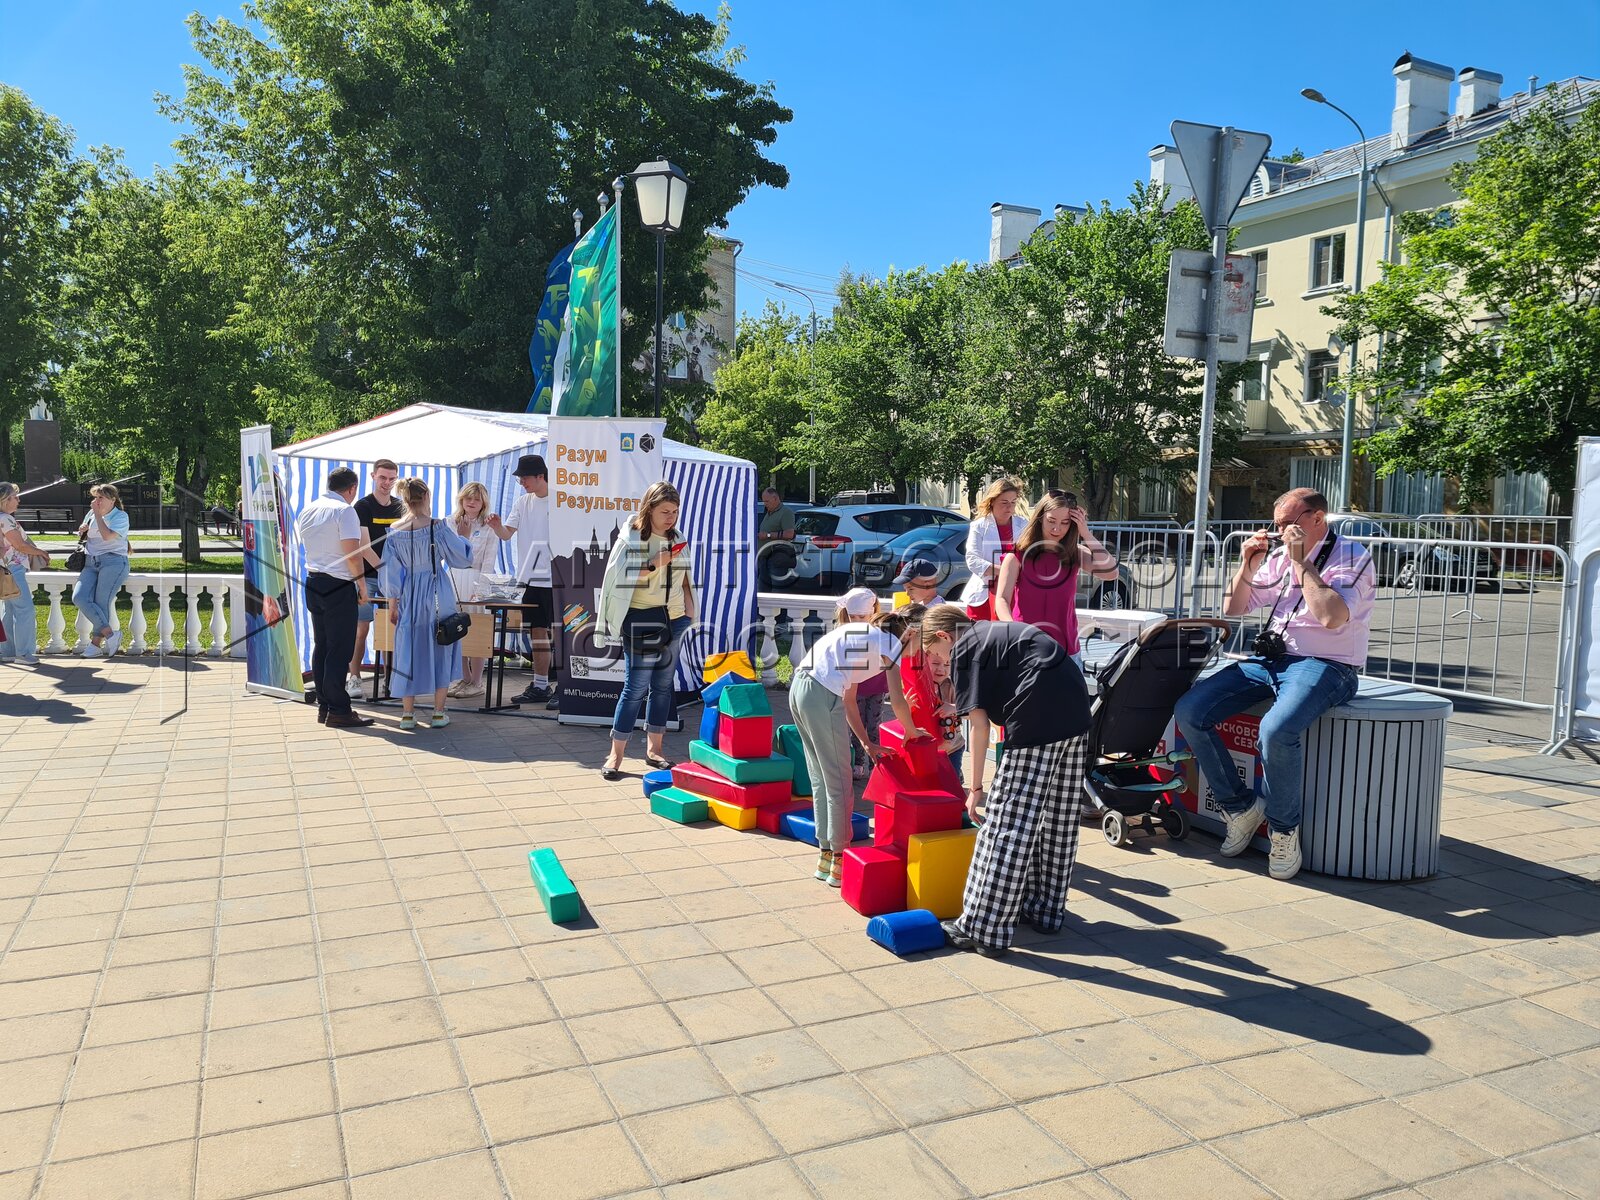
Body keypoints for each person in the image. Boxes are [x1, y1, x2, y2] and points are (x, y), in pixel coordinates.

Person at [1175, 488, 1374, 882]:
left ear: (1317, 518)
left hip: (1326, 664)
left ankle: (1283, 830)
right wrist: (1247, 565)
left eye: (1287, 524)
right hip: (1271, 660)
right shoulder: (1282, 554)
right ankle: (1240, 808)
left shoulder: (1353, 556)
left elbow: (1332, 617)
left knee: (1276, 729)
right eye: (1277, 523)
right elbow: (1234, 608)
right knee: (1190, 710)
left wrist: (1302, 564)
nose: (1279, 531)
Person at [919, 605, 1093, 957]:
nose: (940, 663)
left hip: (1037, 719)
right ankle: (1045, 909)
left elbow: (980, 729)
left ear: (943, 636)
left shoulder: (965, 647)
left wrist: (977, 788)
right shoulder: (992, 631)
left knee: (1006, 824)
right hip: (1077, 711)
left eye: (936, 654)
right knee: (1058, 819)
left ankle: (983, 927)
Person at [790, 606, 926, 887]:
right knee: (840, 782)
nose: (921, 652)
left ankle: (827, 856)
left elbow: (850, 700)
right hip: (821, 693)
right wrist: (913, 733)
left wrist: (867, 744)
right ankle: (840, 859)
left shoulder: (866, 638)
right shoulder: (888, 642)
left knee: (822, 779)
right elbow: (898, 701)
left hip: (801, 690)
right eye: (923, 644)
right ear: (911, 632)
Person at [595, 481, 697, 780]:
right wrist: (654, 564)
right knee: (635, 688)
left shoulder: (678, 537)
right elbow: (618, 579)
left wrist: (689, 612)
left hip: (675, 618)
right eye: (665, 511)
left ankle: (655, 750)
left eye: (675, 511)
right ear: (649, 508)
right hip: (641, 619)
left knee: (663, 687)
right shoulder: (631, 538)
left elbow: (685, 577)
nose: (671, 517)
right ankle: (616, 755)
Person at [380, 478, 473, 730]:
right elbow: (461, 559)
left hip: (408, 594)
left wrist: (392, 603)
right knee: (441, 644)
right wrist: (465, 537)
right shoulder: (438, 527)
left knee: (407, 650)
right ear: (427, 496)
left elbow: (390, 572)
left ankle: (408, 715)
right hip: (437, 592)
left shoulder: (395, 530)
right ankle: (439, 713)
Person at [993, 491, 1119, 668]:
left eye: (1065, 523)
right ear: (1040, 518)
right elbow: (1002, 599)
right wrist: (1015, 631)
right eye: (1051, 521)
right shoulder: (1017, 555)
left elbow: (1111, 572)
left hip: (1066, 651)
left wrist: (1086, 534)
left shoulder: (1075, 553)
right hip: (1025, 649)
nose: (1057, 529)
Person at [296, 468, 374, 729]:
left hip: (314, 579)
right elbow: (353, 554)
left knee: (323, 646)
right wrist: (361, 586)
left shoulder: (309, 509)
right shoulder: (345, 511)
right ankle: (339, 708)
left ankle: (325, 705)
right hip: (339, 583)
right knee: (339, 649)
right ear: (352, 489)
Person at [489, 454, 556, 707]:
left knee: (560, 633)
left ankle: (567, 686)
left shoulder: (561, 500)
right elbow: (507, 535)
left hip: (557, 578)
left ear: (541, 476)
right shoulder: (522, 502)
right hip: (530, 578)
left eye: (524, 477)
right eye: (519, 478)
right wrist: (496, 527)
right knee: (537, 633)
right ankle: (541, 685)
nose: (521, 482)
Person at [348, 459, 400, 699]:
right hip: (368, 578)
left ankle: (389, 680)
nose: (387, 483)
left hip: (393, 581)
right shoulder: (363, 506)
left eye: (391, 479)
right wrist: (386, 570)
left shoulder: (401, 506)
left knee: (392, 629)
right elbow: (364, 547)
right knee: (361, 629)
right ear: (373, 476)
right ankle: (355, 677)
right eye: (383, 478)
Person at [446, 481, 501, 698]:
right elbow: (449, 554)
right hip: (453, 578)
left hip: (477, 579)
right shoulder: (450, 522)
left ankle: (477, 681)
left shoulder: (489, 526)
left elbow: (489, 561)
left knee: (477, 629)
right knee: (455, 630)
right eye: (468, 498)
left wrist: (481, 589)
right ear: (461, 499)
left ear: (483, 502)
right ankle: (464, 677)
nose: (471, 502)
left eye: (476, 499)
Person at [71, 484, 132, 658]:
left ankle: (95, 645)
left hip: (113, 562)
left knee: (101, 601)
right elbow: (85, 534)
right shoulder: (91, 514)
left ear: (112, 500)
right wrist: (83, 530)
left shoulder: (120, 516)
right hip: (91, 562)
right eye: (95, 497)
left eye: (101, 498)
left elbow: (107, 536)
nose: (96, 501)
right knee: (79, 597)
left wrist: (97, 515)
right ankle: (111, 635)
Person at [835, 587, 886, 780]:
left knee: (874, 724)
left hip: (875, 685)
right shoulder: (842, 634)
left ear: (872, 613)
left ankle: (876, 764)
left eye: (861, 617)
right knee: (856, 724)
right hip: (855, 688)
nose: (856, 621)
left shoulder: (878, 632)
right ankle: (858, 762)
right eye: (853, 617)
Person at [960, 477, 1024, 620]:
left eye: (1013, 502)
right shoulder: (979, 526)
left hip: (1014, 593)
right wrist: (1007, 571)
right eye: (1004, 503)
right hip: (984, 593)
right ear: (992, 501)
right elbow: (972, 560)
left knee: (1008, 635)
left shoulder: (1024, 525)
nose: (1010, 508)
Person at [0, 482, 49, 665]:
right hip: (12, 568)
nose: (18, 500)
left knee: (9, 609)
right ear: (5, 500)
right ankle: (24, 653)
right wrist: (41, 553)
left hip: (4, 568)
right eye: (15, 497)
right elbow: (19, 545)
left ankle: (7, 651)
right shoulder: (5, 519)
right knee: (25, 610)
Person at [756, 486, 796, 591]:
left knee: (777, 593)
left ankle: (779, 608)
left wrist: (768, 535)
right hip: (764, 558)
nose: (765, 504)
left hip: (777, 558)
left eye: (767, 501)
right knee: (762, 593)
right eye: (764, 501)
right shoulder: (768, 513)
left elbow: (790, 534)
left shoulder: (786, 512)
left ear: (775, 498)